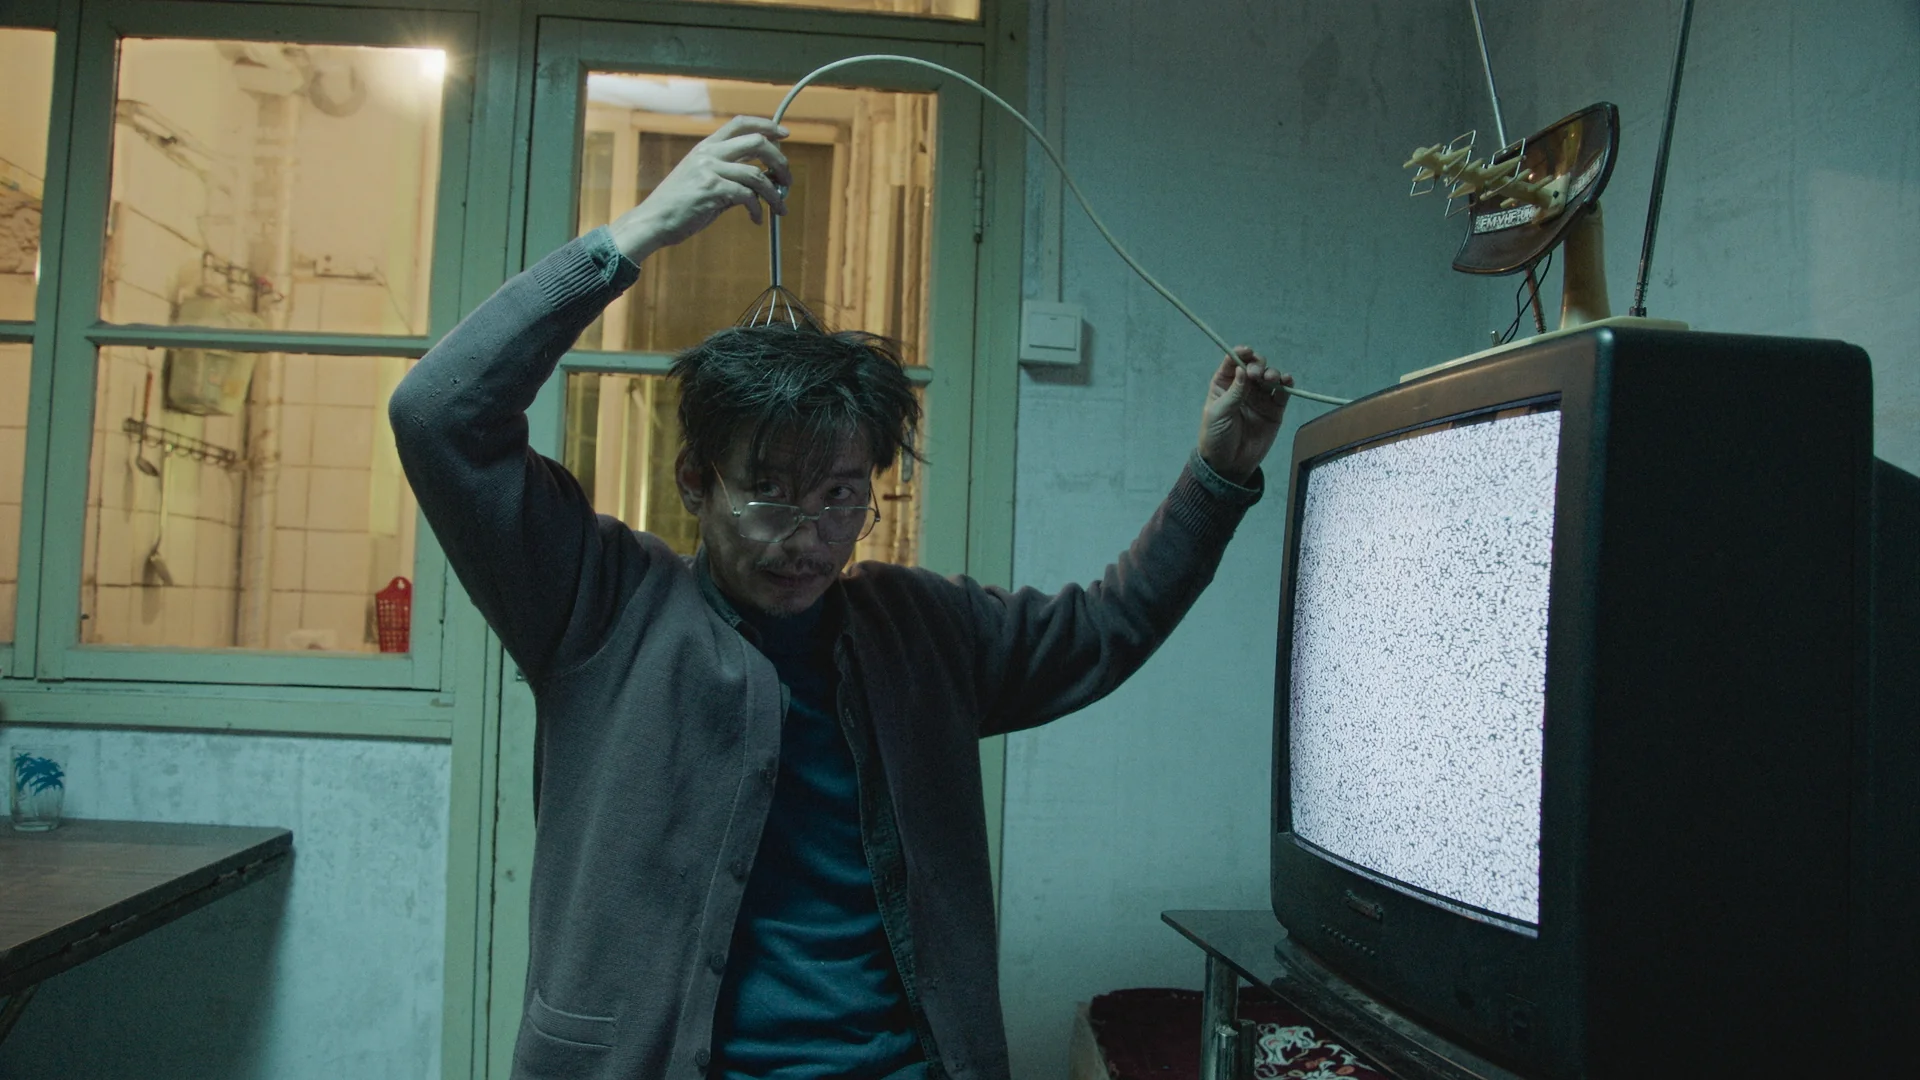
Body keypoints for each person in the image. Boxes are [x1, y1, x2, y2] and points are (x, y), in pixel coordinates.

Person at [390, 116, 1293, 1080]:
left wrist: (1216, 475)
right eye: (769, 491)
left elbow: (1105, 627)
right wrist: (638, 234)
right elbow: (439, 413)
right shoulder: (602, 606)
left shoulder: (920, 631)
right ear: (695, 481)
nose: (808, 536)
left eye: (841, 497)